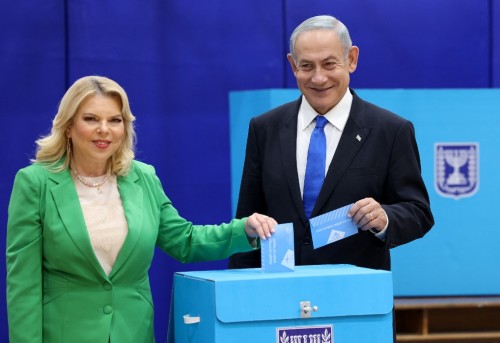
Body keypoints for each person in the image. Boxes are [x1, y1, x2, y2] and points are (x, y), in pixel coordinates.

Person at [6, 75, 276, 343]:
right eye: (91, 119)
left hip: (134, 333)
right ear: (67, 126)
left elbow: (185, 241)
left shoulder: (143, 177)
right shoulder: (35, 183)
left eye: (115, 120)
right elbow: (23, 286)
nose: (104, 129)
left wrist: (245, 230)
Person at [228, 15, 434, 271]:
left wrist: (385, 218)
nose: (318, 78)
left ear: (351, 59)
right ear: (292, 65)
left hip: (355, 296)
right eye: (306, 66)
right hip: (278, 295)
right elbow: (249, 221)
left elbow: (418, 212)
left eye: (329, 64)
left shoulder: (390, 130)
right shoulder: (264, 128)